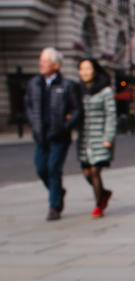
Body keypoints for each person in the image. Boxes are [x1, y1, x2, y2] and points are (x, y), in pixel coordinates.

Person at [24, 47, 82, 221]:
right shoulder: (34, 83)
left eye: (45, 61)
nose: (41, 64)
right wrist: (34, 125)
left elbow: (77, 109)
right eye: (41, 60)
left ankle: (54, 207)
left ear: (56, 65)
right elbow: (29, 106)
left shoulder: (67, 85)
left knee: (53, 169)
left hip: (59, 135)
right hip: (41, 134)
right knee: (41, 168)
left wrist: (66, 126)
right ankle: (58, 192)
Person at [76, 57, 116, 218]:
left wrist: (108, 137)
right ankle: (104, 193)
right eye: (82, 69)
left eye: (88, 68)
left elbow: (110, 115)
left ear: (95, 70)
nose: (85, 72)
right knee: (86, 173)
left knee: (95, 171)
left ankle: (98, 205)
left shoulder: (105, 91)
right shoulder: (78, 91)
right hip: (85, 138)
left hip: (100, 136)